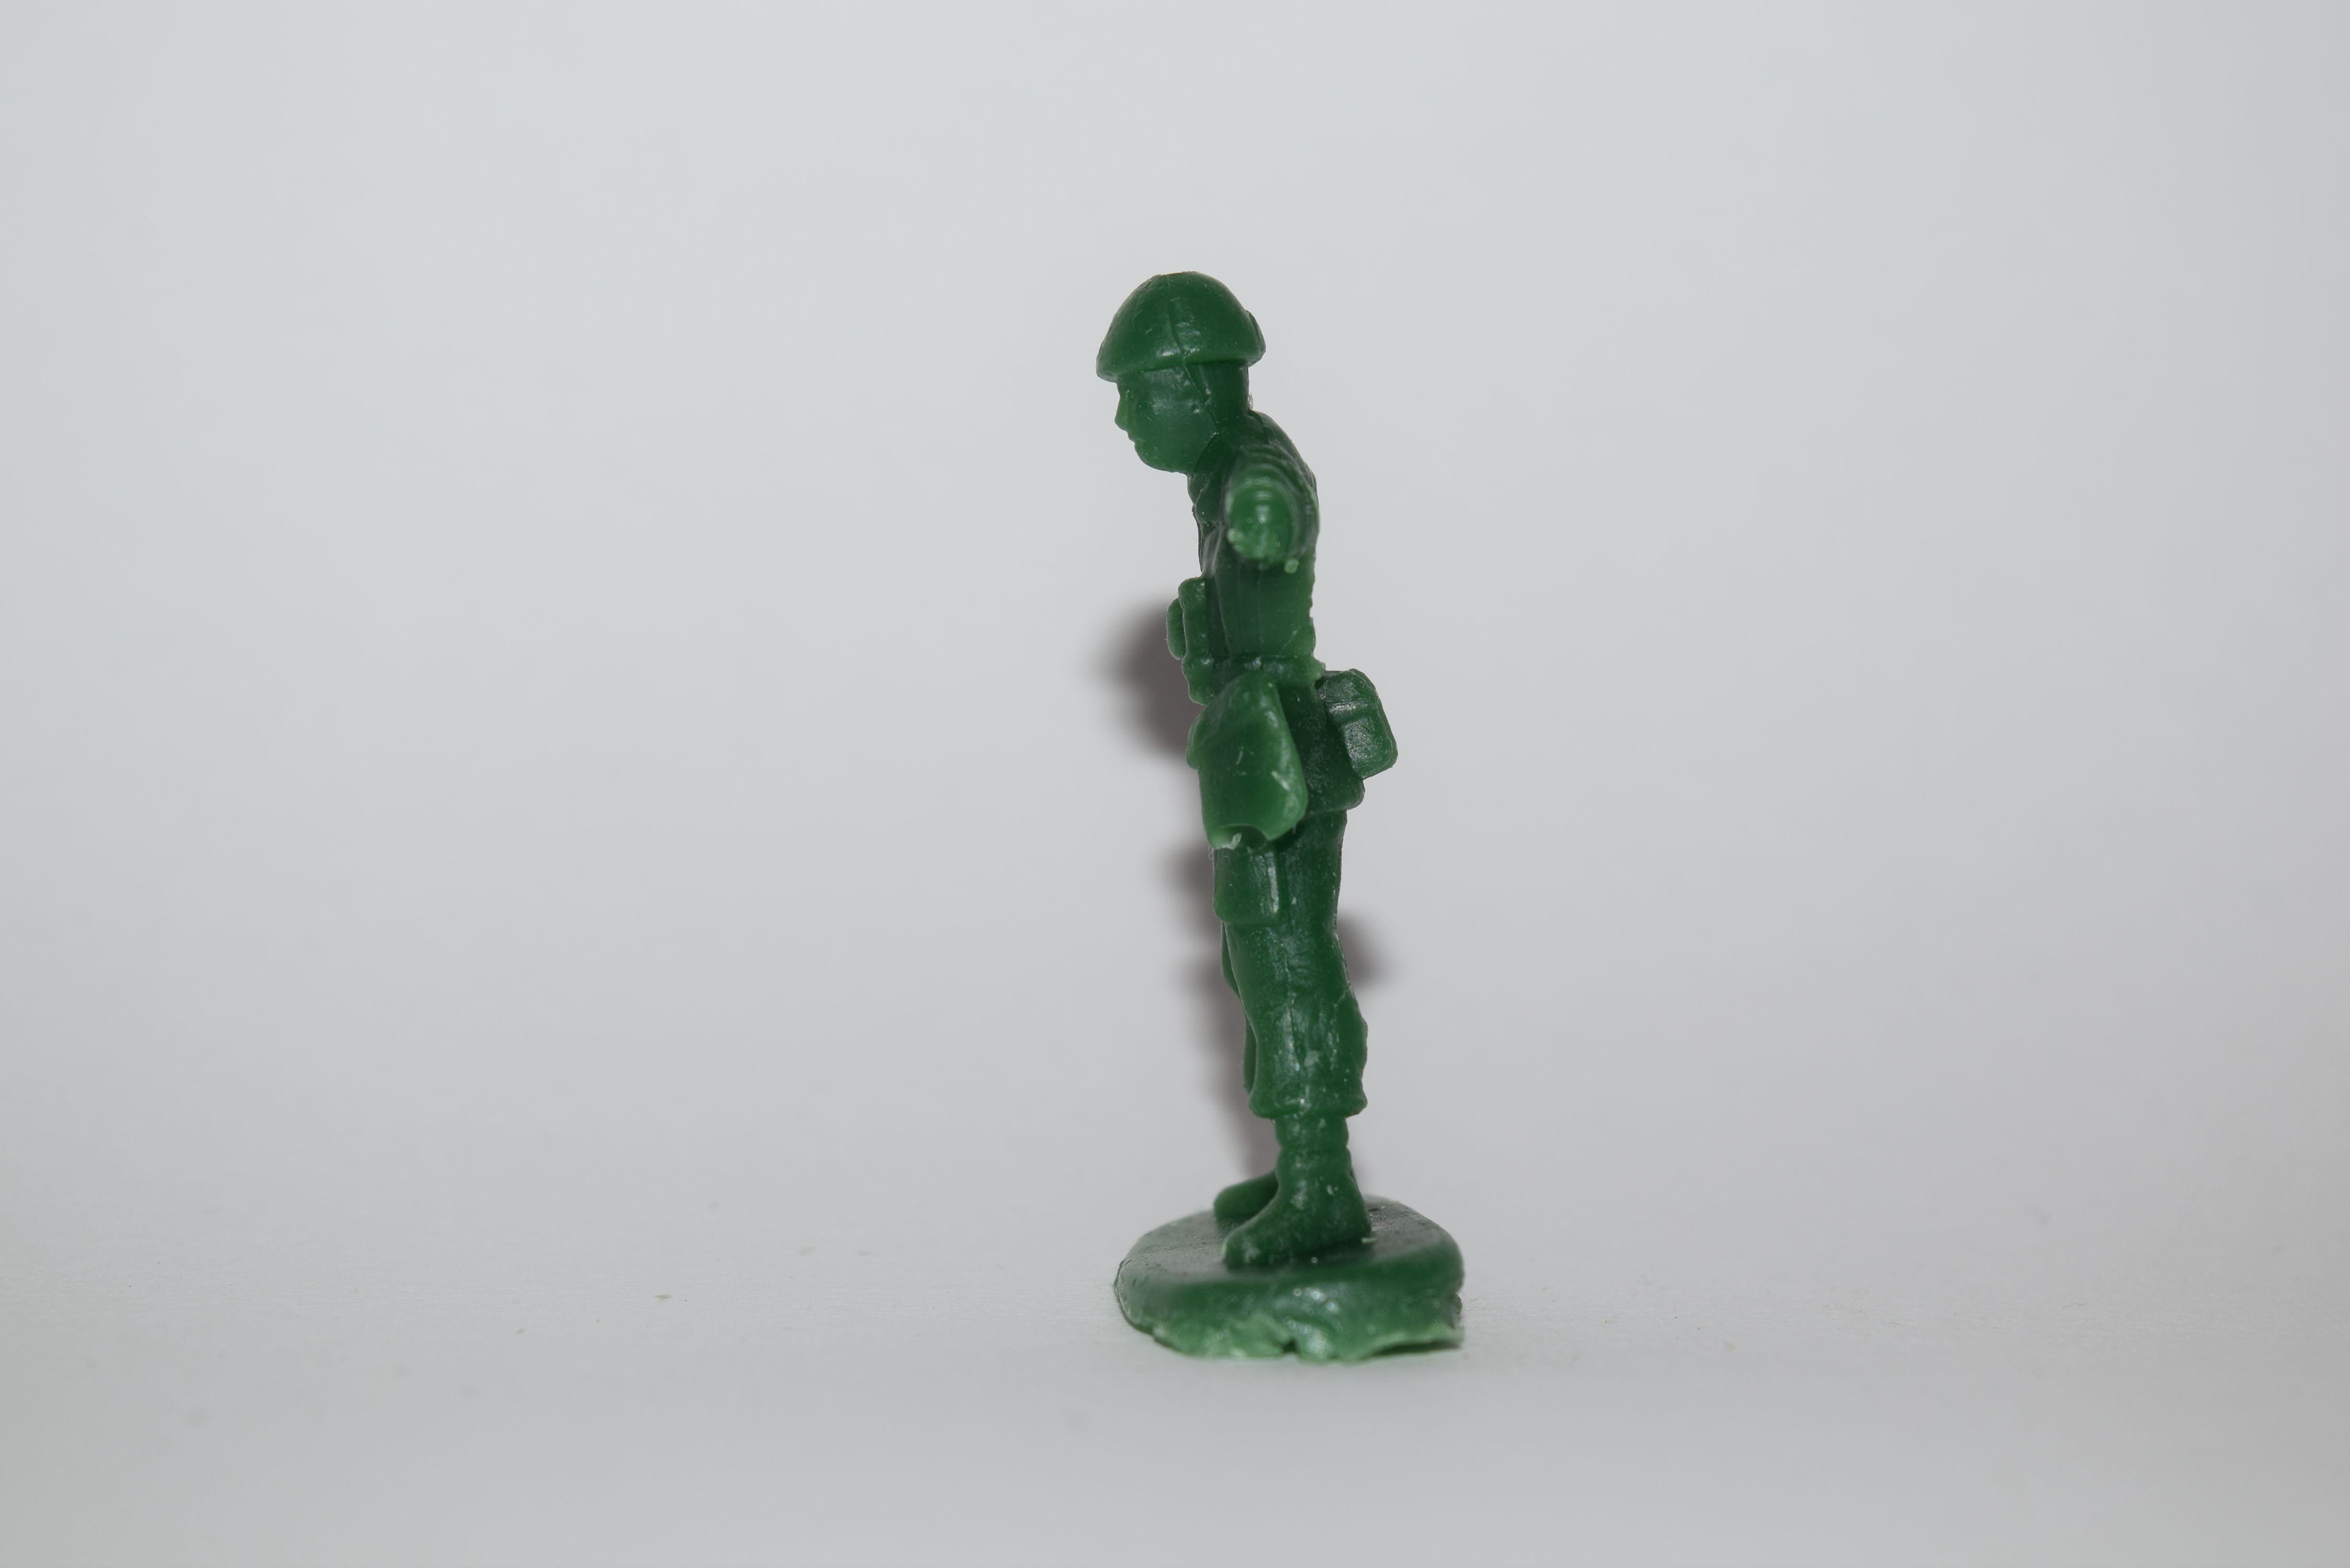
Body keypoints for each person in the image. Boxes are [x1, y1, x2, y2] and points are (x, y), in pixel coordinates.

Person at [1099, 272, 1399, 1269]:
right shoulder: (1226, 471)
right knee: (1252, 954)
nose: (1126, 420)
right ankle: (1304, 1162)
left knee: (1285, 955)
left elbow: (1273, 515)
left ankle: (1321, 1184)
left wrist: (1265, 522)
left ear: (1192, 384)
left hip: (1280, 749)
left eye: (1137, 395)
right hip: (1258, 742)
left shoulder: (1252, 473)